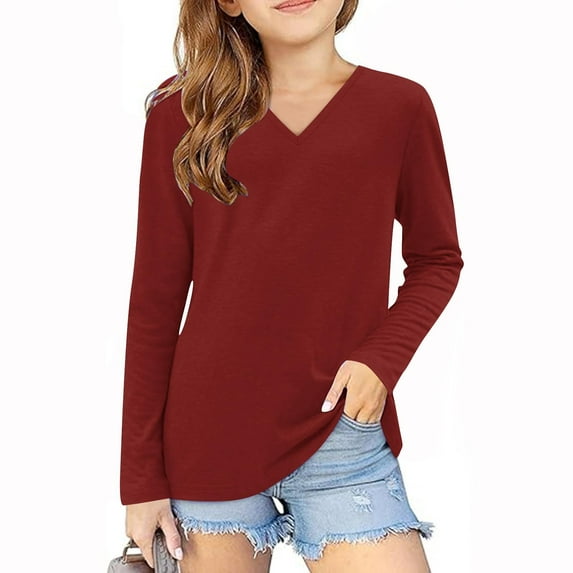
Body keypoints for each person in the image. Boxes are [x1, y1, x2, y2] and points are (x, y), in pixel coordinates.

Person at [120, 0, 464, 571]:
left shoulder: (400, 107)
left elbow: (437, 259)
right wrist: (140, 480)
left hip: (343, 433)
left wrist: (381, 360)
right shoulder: (182, 112)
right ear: (229, 2)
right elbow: (154, 303)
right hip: (208, 437)